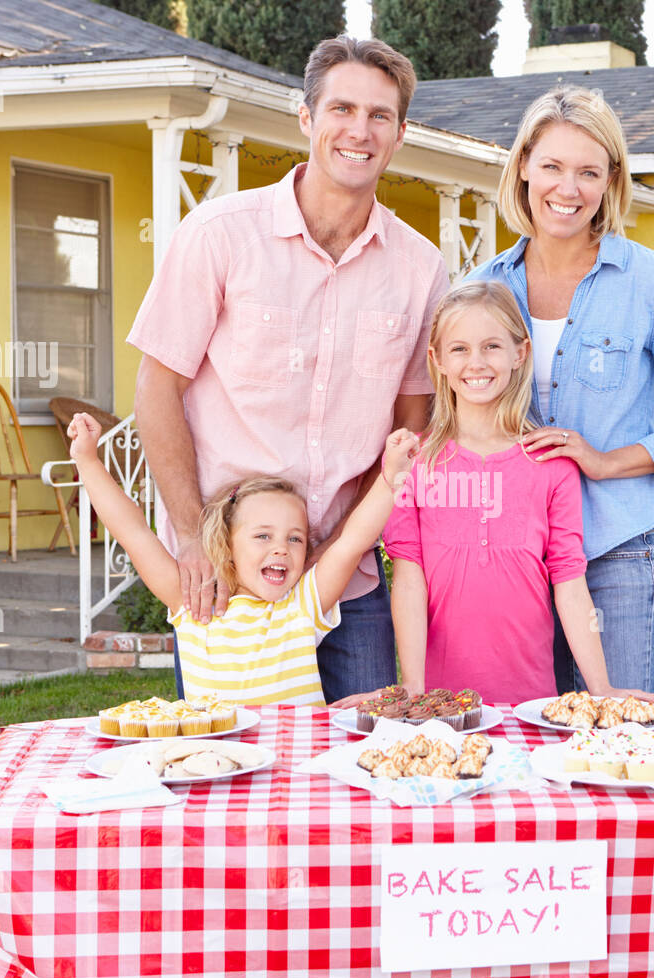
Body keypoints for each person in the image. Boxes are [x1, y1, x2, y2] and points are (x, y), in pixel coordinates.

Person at [126, 36, 450, 703]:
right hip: (229, 580)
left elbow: (413, 420)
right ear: (306, 117)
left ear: (400, 133)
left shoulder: (421, 270)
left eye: (380, 116)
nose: (358, 130)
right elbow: (157, 387)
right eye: (342, 108)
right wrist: (190, 535)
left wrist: (345, 547)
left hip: (348, 578)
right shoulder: (219, 234)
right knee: (228, 774)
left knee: (365, 773)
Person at [469, 86, 654, 695]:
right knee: (525, 749)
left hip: (617, 554)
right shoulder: (482, 286)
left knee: (616, 742)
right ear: (524, 169)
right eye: (553, 167)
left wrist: (607, 461)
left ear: (611, 180)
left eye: (589, 172)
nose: (569, 189)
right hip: (515, 556)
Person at [378, 281, 654, 707]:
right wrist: (413, 687)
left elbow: (570, 580)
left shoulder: (550, 463)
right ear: (437, 360)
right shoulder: (415, 461)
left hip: (532, 703)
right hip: (441, 704)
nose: (476, 363)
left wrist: (602, 689)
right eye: (460, 349)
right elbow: (408, 577)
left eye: (491, 346)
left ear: (520, 353)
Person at [66, 411, 419, 706]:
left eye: (294, 538)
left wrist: (390, 478)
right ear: (227, 543)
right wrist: (87, 461)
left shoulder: (302, 606)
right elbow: (133, 533)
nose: (281, 548)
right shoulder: (191, 604)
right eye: (262, 536)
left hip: (294, 776)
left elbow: (351, 541)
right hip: (217, 771)